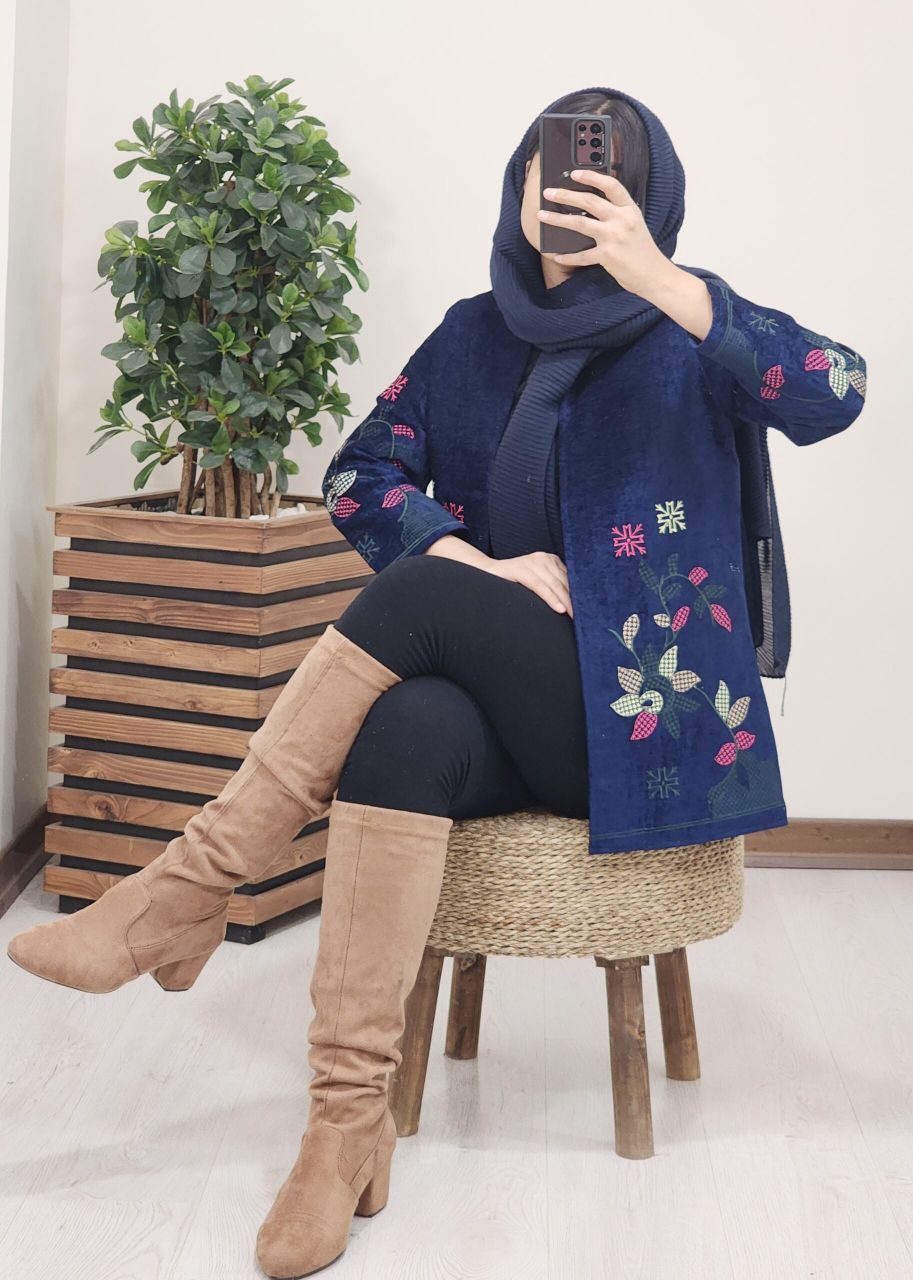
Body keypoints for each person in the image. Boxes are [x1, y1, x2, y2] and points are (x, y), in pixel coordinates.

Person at [6, 85, 867, 1279]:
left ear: (647, 198)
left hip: (637, 727)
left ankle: (184, 891)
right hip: (505, 707)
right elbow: (357, 473)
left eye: (604, 175)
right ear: (520, 185)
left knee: (417, 597)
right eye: (552, 170)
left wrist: (664, 277)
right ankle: (341, 1127)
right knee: (404, 724)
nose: (570, 194)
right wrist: (478, 563)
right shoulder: (472, 333)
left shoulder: (690, 332)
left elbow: (835, 387)